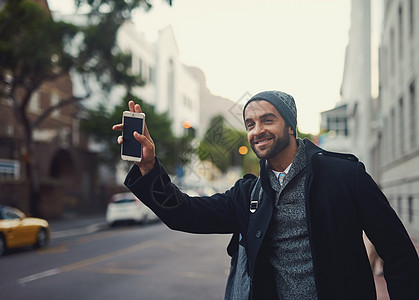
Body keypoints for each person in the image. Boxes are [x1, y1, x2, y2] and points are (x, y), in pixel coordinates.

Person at [112, 91, 419, 300]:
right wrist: (149, 166)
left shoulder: (345, 176)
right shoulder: (248, 193)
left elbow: (399, 253)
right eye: (250, 123)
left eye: (267, 120)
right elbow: (185, 213)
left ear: (290, 126)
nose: (257, 130)